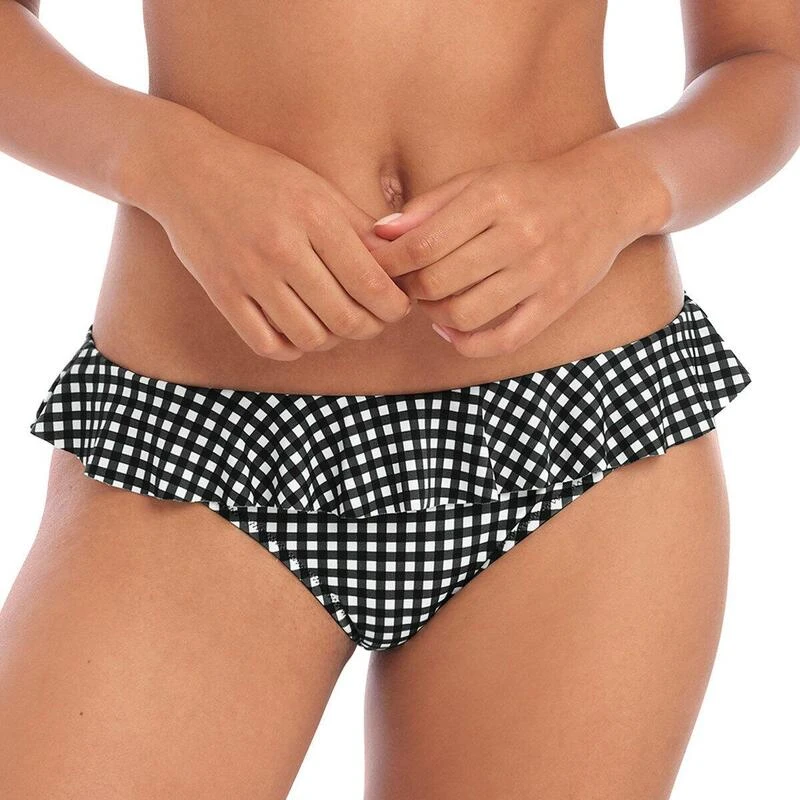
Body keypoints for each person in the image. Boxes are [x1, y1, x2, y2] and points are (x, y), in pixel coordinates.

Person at [0, 0, 796, 797]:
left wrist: (618, 188)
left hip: (579, 432)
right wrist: (164, 161)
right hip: (196, 443)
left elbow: (769, 58)